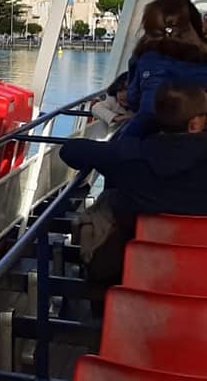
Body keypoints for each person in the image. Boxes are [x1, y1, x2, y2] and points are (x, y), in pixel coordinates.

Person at [60, 82, 207, 297]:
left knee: (109, 202)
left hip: (140, 267)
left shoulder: (131, 155)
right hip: (200, 271)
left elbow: (70, 150)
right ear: (195, 124)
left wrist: (143, 124)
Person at [122, 0, 207, 137]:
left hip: (152, 137)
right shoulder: (201, 59)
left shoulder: (146, 59)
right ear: (189, 27)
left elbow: (137, 102)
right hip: (196, 135)